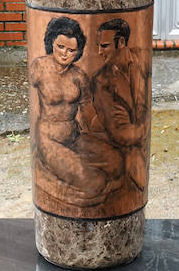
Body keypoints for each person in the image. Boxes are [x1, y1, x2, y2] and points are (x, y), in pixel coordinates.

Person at [30, 17, 122, 204]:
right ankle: (54, 182)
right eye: (60, 47)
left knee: (117, 162)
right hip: (49, 140)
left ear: (78, 52)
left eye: (71, 50)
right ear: (51, 43)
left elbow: (88, 112)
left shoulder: (79, 76)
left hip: (74, 136)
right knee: (94, 182)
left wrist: (110, 126)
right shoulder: (39, 67)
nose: (65, 54)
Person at [90, 18, 150, 191]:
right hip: (125, 144)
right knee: (133, 158)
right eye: (99, 46)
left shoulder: (142, 59)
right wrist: (143, 128)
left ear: (121, 42)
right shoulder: (101, 81)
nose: (100, 52)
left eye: (105, 46)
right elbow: (120, 134)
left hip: (137, 138)